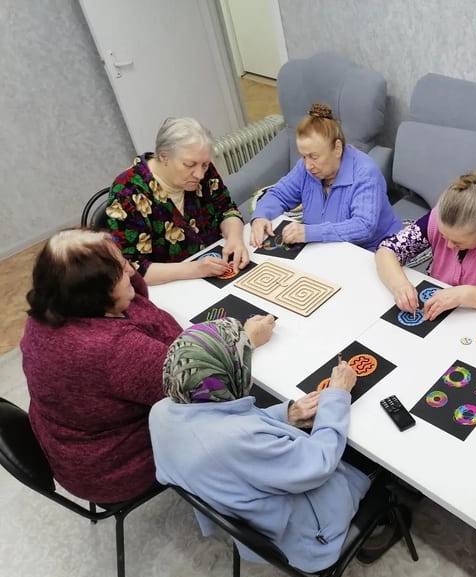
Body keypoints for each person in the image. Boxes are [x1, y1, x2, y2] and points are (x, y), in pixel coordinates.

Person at [149, 317, 399, 572]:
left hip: (249, 504)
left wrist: (285, 415)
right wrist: (338, 394)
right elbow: (320, 462)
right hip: (308, 536)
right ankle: (387, 522)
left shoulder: (162, 411)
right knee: (380, 451)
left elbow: (226, 422)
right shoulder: (238, 441)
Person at [19, 228, 184, 503]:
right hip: (113, 469)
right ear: (97, 293)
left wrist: (121, 276)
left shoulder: (51, 307)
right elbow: (194, 383)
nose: (131, 270)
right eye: (121, 269)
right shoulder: (116, 349)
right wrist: (243, 338)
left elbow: (138, 301)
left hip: (70, 448)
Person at [375, 169, 476, 321]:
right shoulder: (443, 215)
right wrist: (400, 286)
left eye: (457, 241)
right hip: (450, 313)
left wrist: (464, 294)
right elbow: (387, 249)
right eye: (443, 236)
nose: (448, 245)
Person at [105, 117, 248, 285]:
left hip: (216, 271)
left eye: (205, 165)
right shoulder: (127, 192)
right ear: (164, 157)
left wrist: (235, 239)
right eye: (189, 164)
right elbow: (132, 268)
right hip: (169, 286)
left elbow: (226, 210)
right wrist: (195, 269)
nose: (200, 174)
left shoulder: (201, 168)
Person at [249, 103, 402, 252]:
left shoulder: (366, 173)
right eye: (303, 156)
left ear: (337, 148)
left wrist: (309, 232)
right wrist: (261, 216)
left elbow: (363, 226)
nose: (308, 165)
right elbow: (279, 194)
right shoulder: (306, 168)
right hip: (327, 248)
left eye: (314, 157)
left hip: (375, 250)